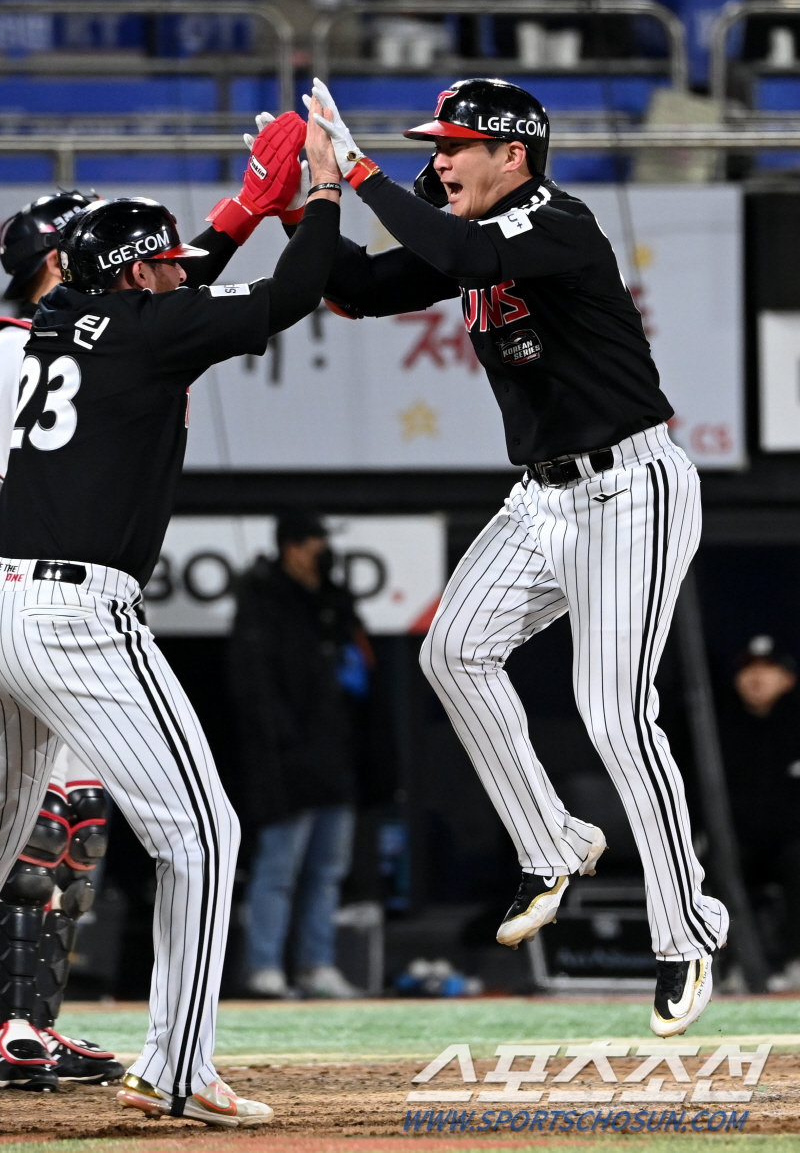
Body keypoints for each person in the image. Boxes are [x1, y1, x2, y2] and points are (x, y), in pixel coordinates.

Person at [0, 107, 341, 1128]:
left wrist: (238, 211)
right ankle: (177, 1065)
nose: (184, 270)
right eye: (164, 263)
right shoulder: (143, 321)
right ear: (132, 274)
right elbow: (281, 295)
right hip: (74, 610)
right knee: (206, 833)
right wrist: (313, 194)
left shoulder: (45, 323)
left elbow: (167, 293)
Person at [301, 75, 727, 1036]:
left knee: (614, 712)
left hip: (634, 488)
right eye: (435, 143)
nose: (439, 158)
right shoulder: (472, 227)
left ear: (513, 155)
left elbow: (454, 247)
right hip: (544, 497)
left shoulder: (559, 221)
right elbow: (360, 290)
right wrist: (312, 196)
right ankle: (553, 842)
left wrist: (361, 166)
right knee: (451, 651)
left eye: (455, 144)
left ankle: (687, 926)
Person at [0, 189, 124, 1092]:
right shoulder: (6, 347)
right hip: (4, 574)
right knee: (25, 823)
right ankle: (1, 1026)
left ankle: (38, 1025)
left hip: (74, 588)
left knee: (81, 827)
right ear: (57, 258)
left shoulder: (101, 339)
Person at [228, 511, 368, 1002]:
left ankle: (316, 963)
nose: (323, 550)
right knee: (278, 868)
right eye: (315, 541)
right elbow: (254, 689)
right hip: (286, 763)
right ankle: (265, 966)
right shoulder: (262, 601)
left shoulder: (333, 601)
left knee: (327, 870)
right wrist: (281, 748)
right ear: (292, 546)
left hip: (334, 757)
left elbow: (356, 676)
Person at [717, 635, 800, 991]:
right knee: (715, 869)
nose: (757, 676)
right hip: (737, 841)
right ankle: (732, 967)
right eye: (750, 667)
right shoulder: (716, 726)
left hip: (790, 842)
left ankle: (795, 962)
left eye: (768, 668)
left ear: (788, 678)